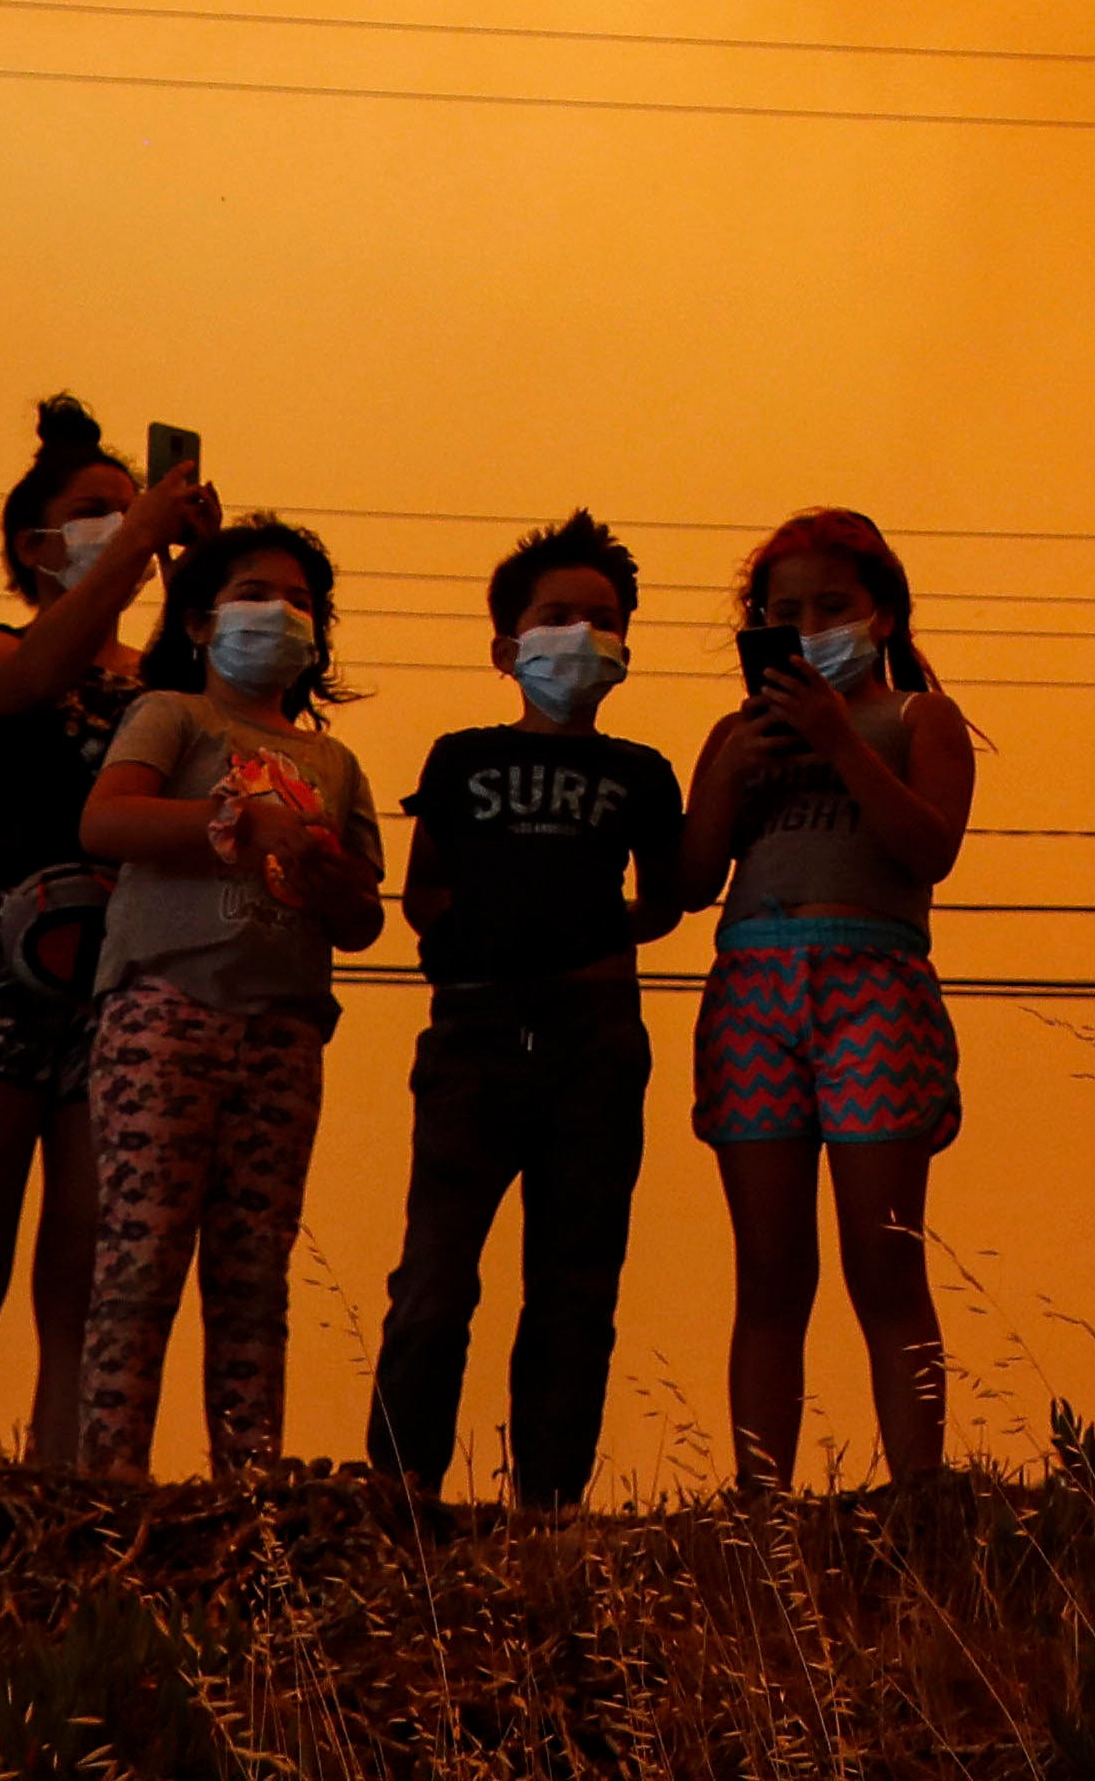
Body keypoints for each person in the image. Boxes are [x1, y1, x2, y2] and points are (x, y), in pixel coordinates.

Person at [0, 396, 213, 1473]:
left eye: (132, 512)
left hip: (117, 975)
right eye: (94, 516)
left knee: (86, 1268)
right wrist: (137, 544)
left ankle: (65, 1501)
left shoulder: (158, 685)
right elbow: (34, 676)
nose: (124, 529)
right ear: (35, 547)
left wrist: (197, 576)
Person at [370, 512, 693, 1509]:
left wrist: (591, 938)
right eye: (557, 616)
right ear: (508, 648)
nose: (581, 636)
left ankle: (548, 1504)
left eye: (602, 619)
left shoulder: (640, 772)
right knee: (434, 1279)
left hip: (594, 1042)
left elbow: (669, 895)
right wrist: (483, 944)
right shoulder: (460, 757)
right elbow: (423, 891)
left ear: (627, 647)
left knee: (575, 1285)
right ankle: (401, 1491)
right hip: (472, 1035)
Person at [69, 515, 383, 1474]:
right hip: (164, 1008)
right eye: (254, 593)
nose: (278, 614)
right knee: (143, 1252)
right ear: (201, 622)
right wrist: (230, 820)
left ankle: (251, 1487)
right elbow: (106, 817)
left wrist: (330, 877)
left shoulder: (335, 764)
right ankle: (109, 1482)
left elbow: (364, 914)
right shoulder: (173, 714)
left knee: (255, 1274)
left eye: (298, 600)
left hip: (284, 1028)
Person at [684, 510, 973, 1492]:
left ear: (883, 613)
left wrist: (841, 742)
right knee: (769, 1272)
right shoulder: (737, 732)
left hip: (873, 981)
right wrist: (730, 771)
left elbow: (930, 846)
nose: (811, 627)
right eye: (786, 613)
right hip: (751, 984)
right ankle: (764, 1505)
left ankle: (920, 1496)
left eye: (833, 607)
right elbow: (689, 875)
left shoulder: (915, 718)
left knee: (882, 1262)